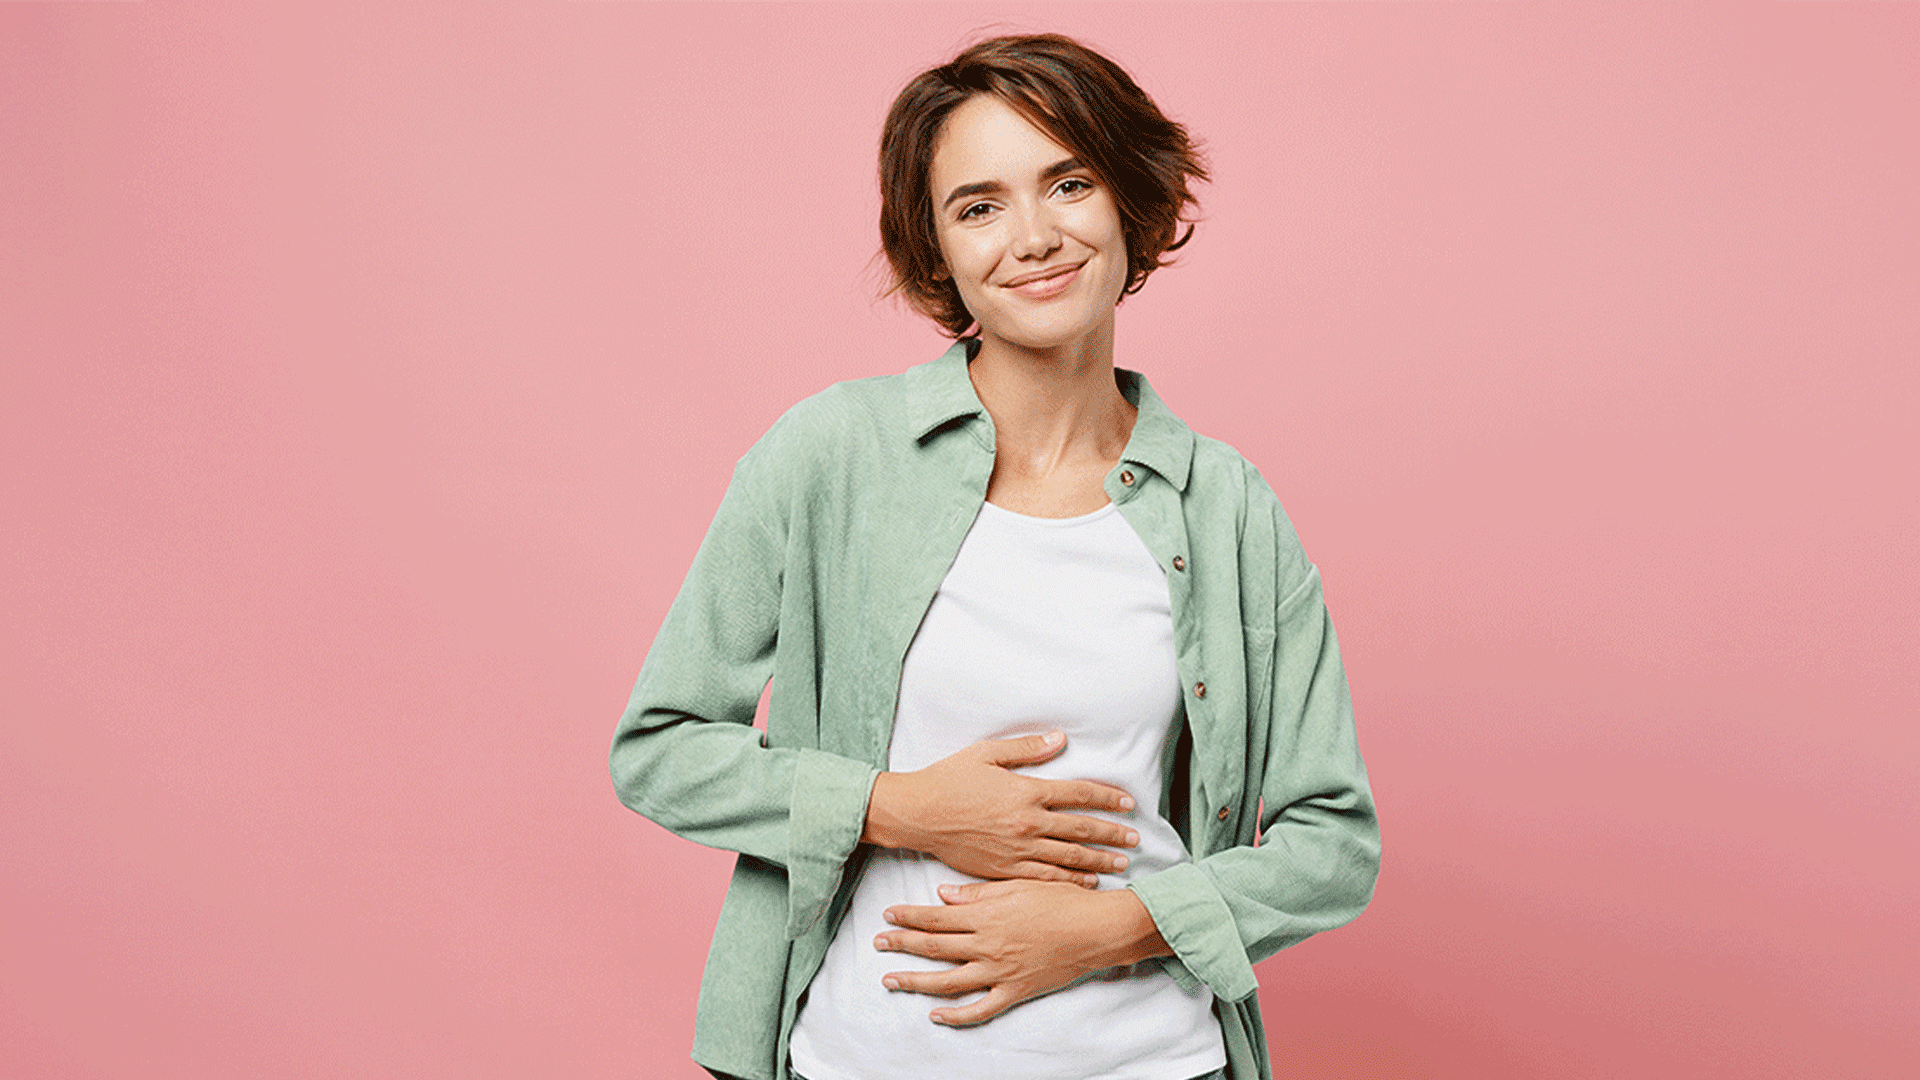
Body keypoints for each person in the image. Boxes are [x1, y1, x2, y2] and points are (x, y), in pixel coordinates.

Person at [610, 33, 1379, 1080]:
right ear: (936, 252)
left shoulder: (1227, 508)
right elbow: (658, 748)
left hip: (1155, 1062)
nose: (1034, 236)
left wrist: (1110, 930)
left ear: (1127, 201)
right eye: (978, 206)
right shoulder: (830, 457)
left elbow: (1332, 844)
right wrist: (899, 808)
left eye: (1068, 182)